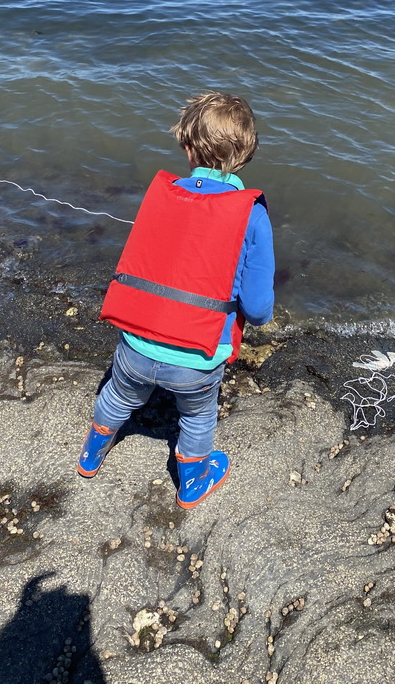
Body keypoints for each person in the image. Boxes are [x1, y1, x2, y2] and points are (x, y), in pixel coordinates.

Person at [77, 92, 275, 509]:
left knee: (118, 393)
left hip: (135, 343)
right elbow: (257, 308)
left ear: (187, 148)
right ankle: (192, 482)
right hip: (198, 358)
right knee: (198, 416)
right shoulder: (251, 215)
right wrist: (257, 317)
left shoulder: (164, 196)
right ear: (246, 155)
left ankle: (91, 456)